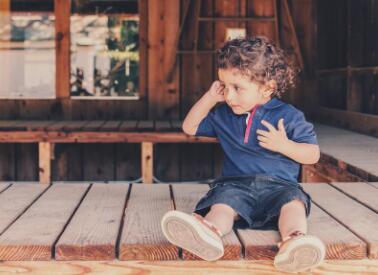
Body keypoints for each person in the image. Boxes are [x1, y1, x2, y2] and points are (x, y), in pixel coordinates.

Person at [161, 36, 326, 273]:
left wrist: (284, 145)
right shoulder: (224, 116)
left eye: (237, 88)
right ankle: (209, 234)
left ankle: (294, 241)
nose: (228, 96)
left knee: (294, 203)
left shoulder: (289, 116)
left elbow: (313, 155)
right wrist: (209, 98)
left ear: (267, 87)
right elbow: (190, 127)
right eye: (224, 86)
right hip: (236, 186)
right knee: (223, 205)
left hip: (279, 187)